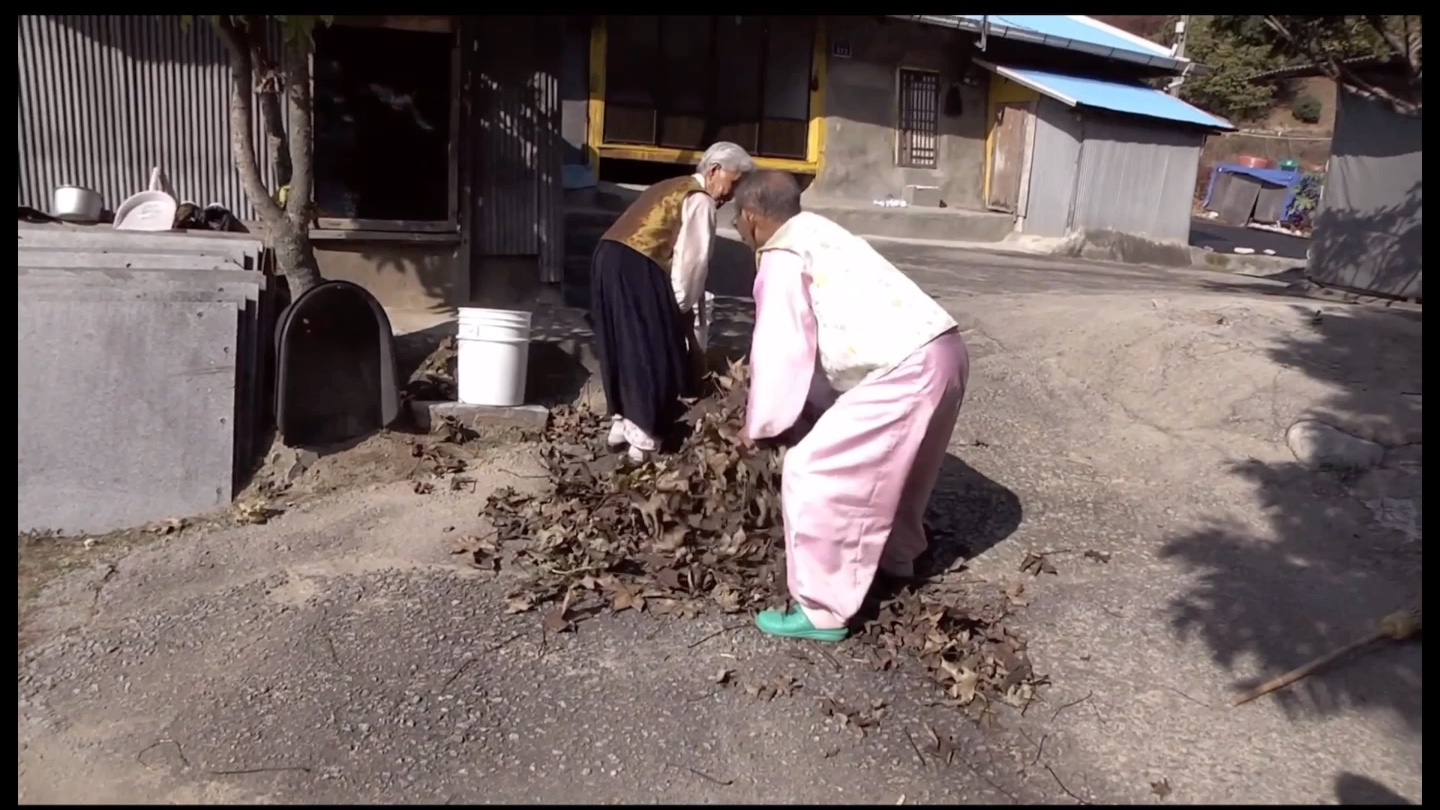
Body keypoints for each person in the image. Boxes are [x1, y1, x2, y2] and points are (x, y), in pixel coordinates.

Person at [732, 170, 970, 643]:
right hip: (945, 349)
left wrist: (760, 424)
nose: (739, 232)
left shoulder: (780, 254)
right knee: (899, 469)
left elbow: (782, 347)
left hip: (905, 368)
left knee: (814, 470)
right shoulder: (820, 232)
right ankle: (898, 558)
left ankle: (821, 609)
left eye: (738, 223)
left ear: (751, 218)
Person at [590, 142, 755, 463]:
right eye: (732, 183)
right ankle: (643, 440)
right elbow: (692, 261)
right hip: (639, 263)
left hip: (607, 256)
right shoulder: (700, 200)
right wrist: (679, 307)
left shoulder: (671, 185)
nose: (731, 194)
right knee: (650, 347)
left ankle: (620, 425)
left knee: (620, 341)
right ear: (714, 171)